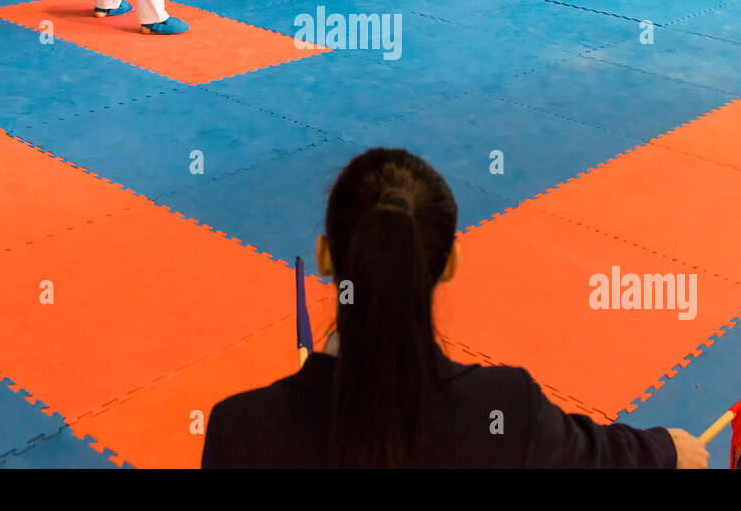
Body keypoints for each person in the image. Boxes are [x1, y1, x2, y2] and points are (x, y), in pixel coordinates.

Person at [202, 148, 708, 468]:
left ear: (325, 256)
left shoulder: (241, 430)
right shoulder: (506, 411)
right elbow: (603, 456)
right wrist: (670, 450)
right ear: (450, 263)